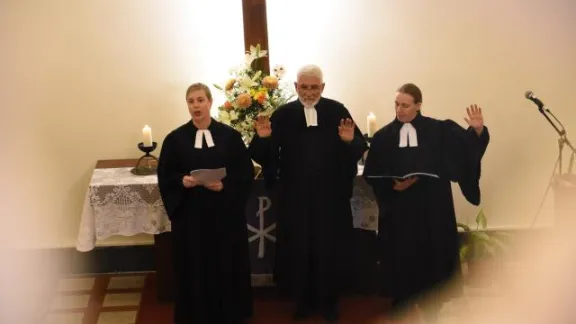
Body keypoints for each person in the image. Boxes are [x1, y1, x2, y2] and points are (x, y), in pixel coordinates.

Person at [249, 64, 369, 322]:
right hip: (295, 198)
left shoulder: (337, 111)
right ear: (296, 87)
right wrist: (264, 139)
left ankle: (330, 301)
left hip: (331, 197)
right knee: (299, 249)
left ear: (322, 88)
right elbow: (261, 155)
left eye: (314, 87)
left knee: (330, 249)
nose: (309, 92)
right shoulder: (282, 115)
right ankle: (302, 301)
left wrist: (349, 141)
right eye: (304, 87)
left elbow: (359, 145)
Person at [362, 83, 490, 323]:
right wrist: (392, 185)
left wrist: (477, 132)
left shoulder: (438, 130)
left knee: (432, 251)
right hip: (400, 207)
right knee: (401, 252)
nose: (399, 110)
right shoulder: (384, 136)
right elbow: (373, 172)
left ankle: (433, 302)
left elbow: (464, 153)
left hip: (433, 206)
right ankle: (403, 298)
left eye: (405, 105)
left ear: (419, 105)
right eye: (397, 105)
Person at [157, 83, 255, 324]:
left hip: (224, 216)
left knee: (226, 262)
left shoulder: (230, 137)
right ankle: (195, 313)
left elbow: (244, 173)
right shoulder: (175, 139)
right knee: (194, 265)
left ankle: (229, 312)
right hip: (191, 216)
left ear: (210, 102)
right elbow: (165, 175)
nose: (196, 106)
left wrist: (225, 185)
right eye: (191, 101)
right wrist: (182, 181)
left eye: (200, 100)